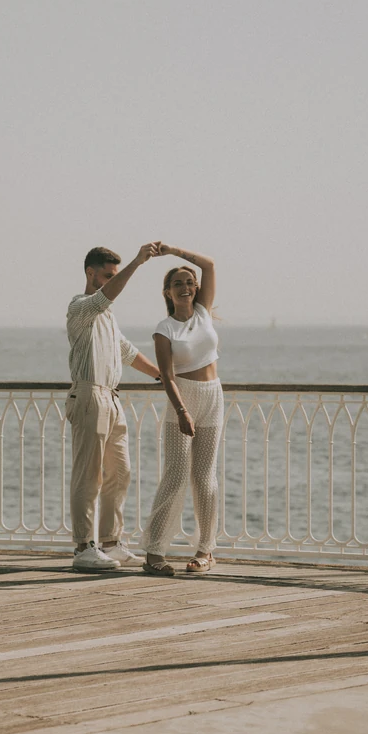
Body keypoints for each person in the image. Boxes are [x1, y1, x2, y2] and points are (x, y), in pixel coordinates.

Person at [66, 244, 163, 571]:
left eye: (113, 276)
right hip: (89, 394)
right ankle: (83, 547)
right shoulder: (80, 307)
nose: (111, 281)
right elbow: (104, 297)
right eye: (107, 275)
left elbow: (128, 352)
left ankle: (110, 542)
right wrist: (138, 262)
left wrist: (162, 376)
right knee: (88, 476)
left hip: (112, 398)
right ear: (90, 273)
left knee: (120, 472)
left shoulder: (107, 316)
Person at [142, 244, 222, 577]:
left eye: (189, 282)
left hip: (213, 395)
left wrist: (173, 251)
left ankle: (206, 551)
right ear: (168, 293)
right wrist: (182, 411)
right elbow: (167, 375)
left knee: (205, 479)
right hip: (183, 398)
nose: (185, 287)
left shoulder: (203, 312)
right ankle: (154, 552)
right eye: (178, 284)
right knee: (175, 476)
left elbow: (209, 264)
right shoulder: (164, 329)